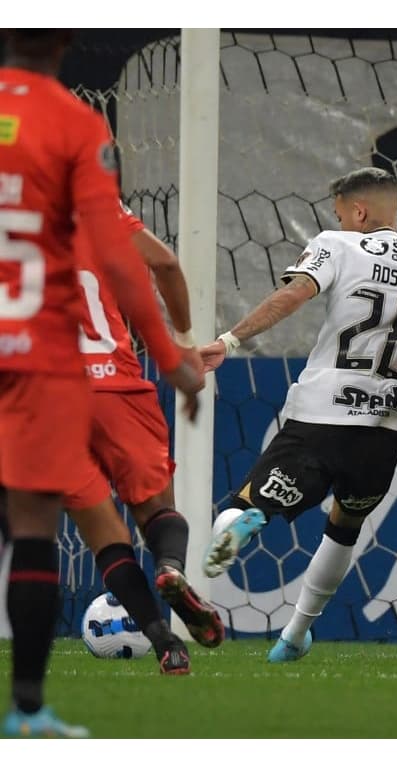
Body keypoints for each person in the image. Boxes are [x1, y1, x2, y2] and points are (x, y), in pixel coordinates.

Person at [0, 29, 202, 737]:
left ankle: (160, 635)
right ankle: (29, 709)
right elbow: (136, 263)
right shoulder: (73, 127)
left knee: (33, 525)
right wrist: (171, 350)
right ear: (60, 46)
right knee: (78, 527)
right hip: (76, 368)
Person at [198, 167, 397, 663]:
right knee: (345, 525)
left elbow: (292, 294)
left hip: (324, 412)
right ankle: (296, 635)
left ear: (358, 211)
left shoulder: (338, 245)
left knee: (249, 499)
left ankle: (239, 520)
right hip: (387, 428)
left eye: (340, 212)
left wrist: (229, 341)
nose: (338, 220)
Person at [61, 201, 226, 675]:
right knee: (154, 511)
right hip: (115, 384)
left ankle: (164, 642)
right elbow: (165, 263)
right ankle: (171, 567)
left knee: (101, 534)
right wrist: (183, 340)